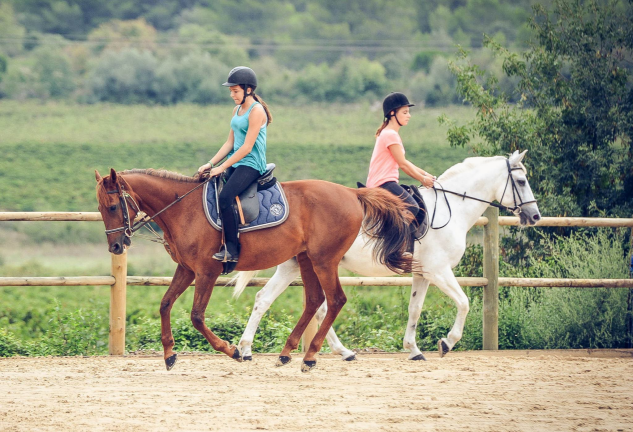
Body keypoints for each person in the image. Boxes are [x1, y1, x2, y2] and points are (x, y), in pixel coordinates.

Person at [198, 66, 273, 262]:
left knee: (225, 198)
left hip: (251, 165)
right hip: (237, 162)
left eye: (235, 91)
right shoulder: (237, 109)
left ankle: (231, 250)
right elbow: (230, 143)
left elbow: (247, 147)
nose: (232, 94)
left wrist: (222, 167)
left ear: (248, 89)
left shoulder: (257, 111)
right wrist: (210, 163)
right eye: (231, 91)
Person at [366, 92, 435, 242]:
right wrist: (423, 179)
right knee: (412, 207)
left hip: (385, 182)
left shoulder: (388, 133)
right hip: (382, 183)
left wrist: (427, 175)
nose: (409, 115)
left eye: (408, 112)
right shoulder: (390, 135)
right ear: (392, 113)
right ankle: (392, 245)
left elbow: (404, 161)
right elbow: (403, 165)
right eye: (405, 112)